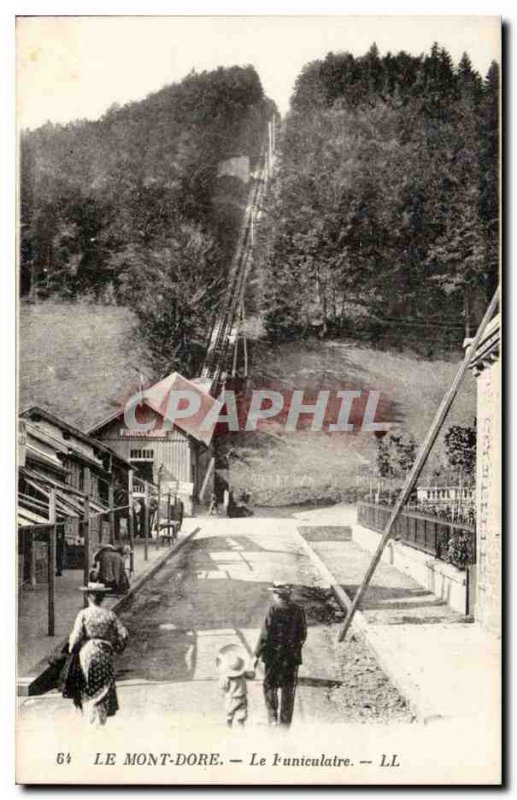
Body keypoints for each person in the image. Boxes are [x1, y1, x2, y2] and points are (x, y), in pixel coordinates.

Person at [68, 582, 128, 726]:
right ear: (102, 597)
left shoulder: (83, 614)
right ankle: (100, 721)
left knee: (87, 686)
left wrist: (72, 649)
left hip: (87, 653)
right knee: (103, 687)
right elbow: (124, 634)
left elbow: (75, 637)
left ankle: (89, 720)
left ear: (89, 596)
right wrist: (118, 648)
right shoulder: (110, 615)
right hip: (104, 653)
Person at [254, 582, 307, 727]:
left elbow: (266, 634)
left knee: (270, 685)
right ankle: (285, 722)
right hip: (291, 657)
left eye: (274, 593)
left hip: (273, 655)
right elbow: (302, 634)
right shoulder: (298, 610)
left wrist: (256, 654)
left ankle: (272, 717)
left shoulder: (274, 609)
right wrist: (294, 649)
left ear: (278, 595)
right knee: (288, 688)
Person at [216, 644, 255, 728]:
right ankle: (241, 727)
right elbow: (252, 675)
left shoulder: (225, 676)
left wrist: (224, 694)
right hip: (241, 696)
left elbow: (223, 687)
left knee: (229, 713)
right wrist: (252, 666)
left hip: (231, 697)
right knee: (242, 714)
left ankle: (229, 725)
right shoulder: (242, 674)